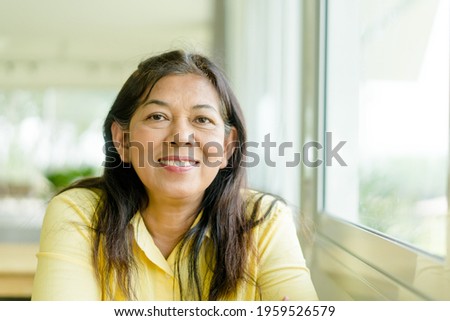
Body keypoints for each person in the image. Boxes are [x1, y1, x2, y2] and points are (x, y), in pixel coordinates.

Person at [31, 50, 318, 301]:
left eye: (202, 119)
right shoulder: (79, 214)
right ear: (122, 141)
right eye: (157, 117)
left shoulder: (263, 220)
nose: (181, 137)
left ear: (228, 146)